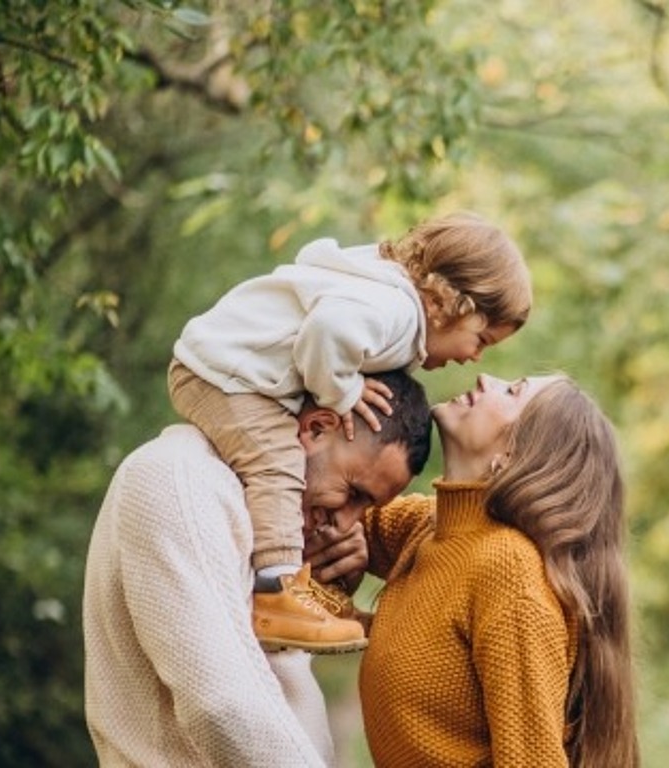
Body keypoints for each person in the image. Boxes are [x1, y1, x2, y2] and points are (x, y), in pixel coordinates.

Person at [168, 211, 532, 653]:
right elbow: (327, 328)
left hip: (227, 370)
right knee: (278, 465)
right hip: (222, 373)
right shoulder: (396, 311)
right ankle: (277, 593)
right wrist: (341, 393)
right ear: (453, 304)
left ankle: (301, 591)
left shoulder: (387, 300)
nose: (476, 357)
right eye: (483, 339)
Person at [82, 369, 433, 766]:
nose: (347, 523)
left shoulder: (260, 522)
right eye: (353, 493)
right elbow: (221, 706)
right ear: (317, 428)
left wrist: (316, 587)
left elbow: (264, 680)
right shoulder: (178, 478)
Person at [356, 373, 640, 767]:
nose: (484, 377)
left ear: (513, 455)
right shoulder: (432, 529)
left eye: (512, 391)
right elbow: (333, 509)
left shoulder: (508, 574)